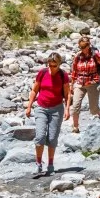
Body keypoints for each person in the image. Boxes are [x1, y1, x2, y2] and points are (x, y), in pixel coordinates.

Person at [24, 49, 69, 178]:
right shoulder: (42, 73)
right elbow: (34, 90)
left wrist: (67, 109)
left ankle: (50, 164)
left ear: (59, 64)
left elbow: (67, 94)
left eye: (54, 66)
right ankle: (38, 164)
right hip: (41, 107)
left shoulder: (63, 75)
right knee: (39, 136)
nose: (52, 68)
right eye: (50, 65)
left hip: (56, 109)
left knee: (52, 138)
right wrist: (29, 106)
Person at [68, 31, 100, 132]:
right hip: (80, 83)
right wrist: (72, 86)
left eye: (84, 46)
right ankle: (75, 127)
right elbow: (74, 71)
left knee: (93, 109)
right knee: (75, 105)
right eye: (80, 47)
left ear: (88, 45)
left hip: (92, 83)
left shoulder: (95, 55)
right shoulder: (78, 57)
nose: (82, 49)